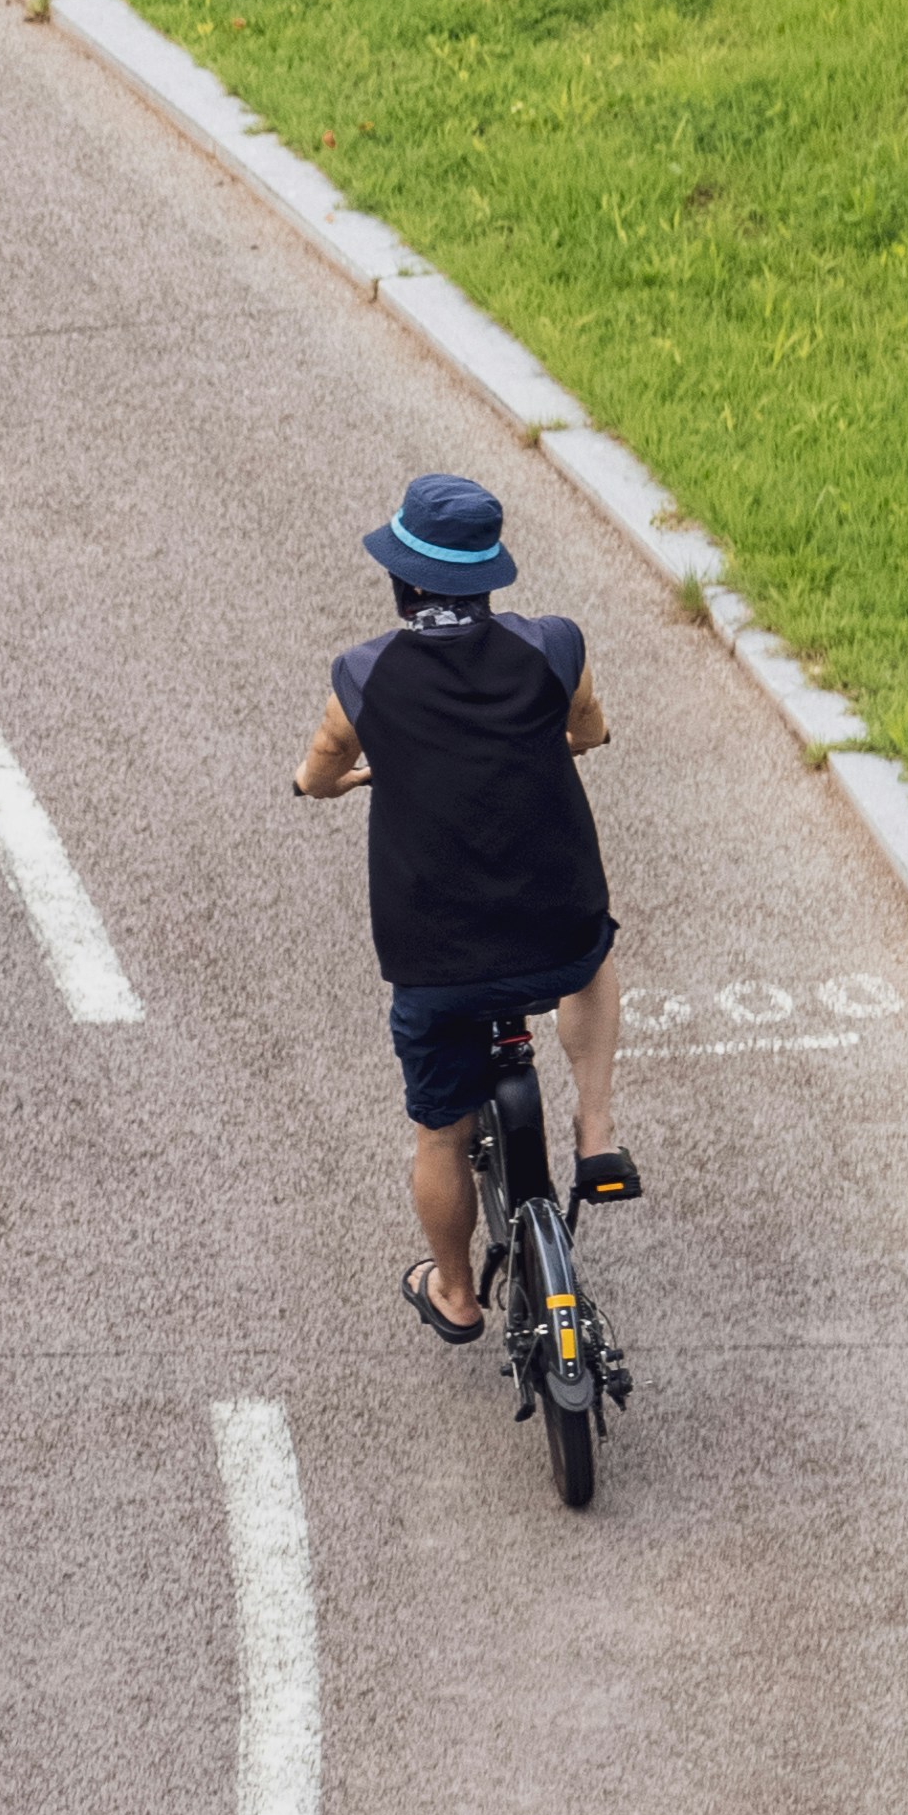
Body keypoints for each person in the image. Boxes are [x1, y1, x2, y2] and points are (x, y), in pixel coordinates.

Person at [296, 466, 640, 1343]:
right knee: (594, 957)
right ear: (489, 575)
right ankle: (595, 1130)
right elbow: (588, 728)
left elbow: (320, 772)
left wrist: (338, 780)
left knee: (441, 1132)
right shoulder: (553, 647)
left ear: (404, 580)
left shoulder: (365, 676)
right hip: (556, 931)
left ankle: (455, 1291)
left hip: (437, 965)